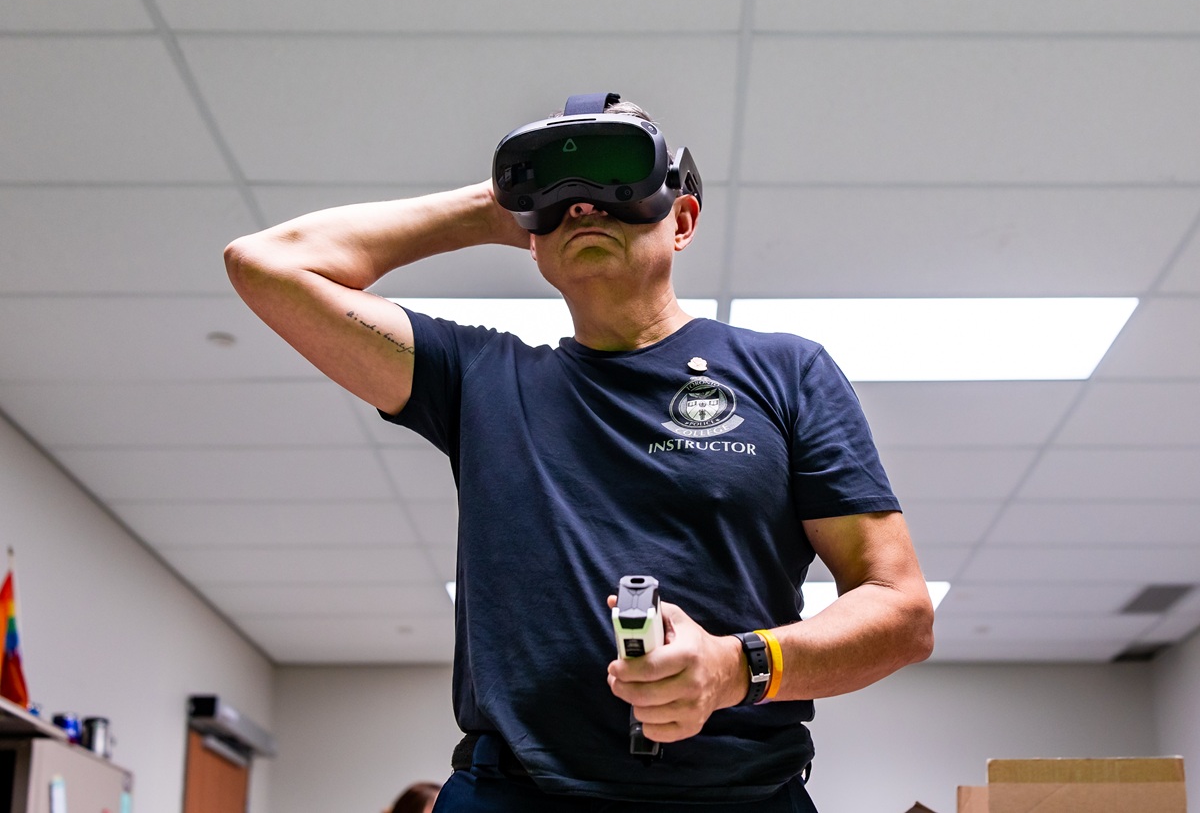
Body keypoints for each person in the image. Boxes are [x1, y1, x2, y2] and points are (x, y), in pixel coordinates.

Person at [225, 92, 934, 812]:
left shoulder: (786, 373)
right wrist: (495, 205)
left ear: (682, 219)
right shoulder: (479, 379)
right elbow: (266, 265)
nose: (586, 208)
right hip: (516, 793)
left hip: (741, 794)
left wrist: (737, 666)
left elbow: (901, 611)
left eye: (615, 185)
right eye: (559, 197)